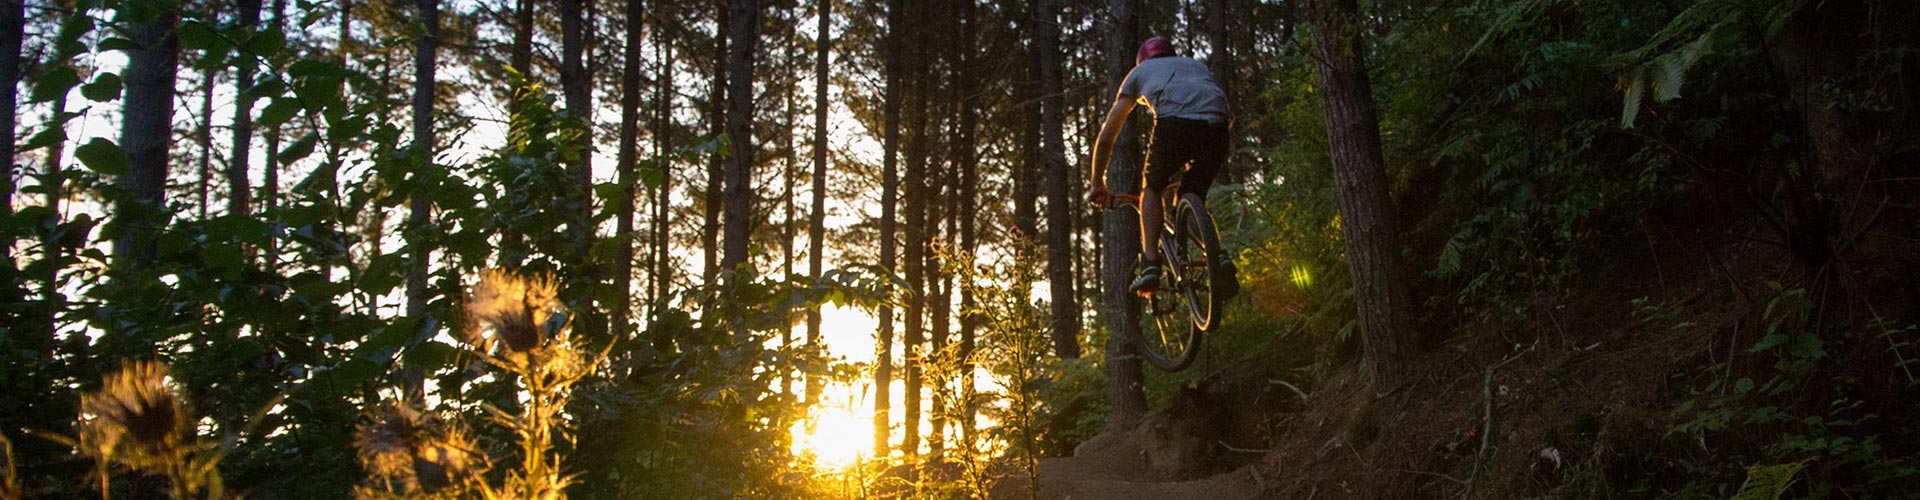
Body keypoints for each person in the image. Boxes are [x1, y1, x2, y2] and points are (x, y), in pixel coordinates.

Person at [1087, 35, 1234, 296]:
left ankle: (1150, 265)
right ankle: (1218, 258)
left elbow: (1108, 136)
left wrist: (1097, 182)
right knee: (1191, 195)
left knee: (1152, 188)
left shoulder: (1139, 72)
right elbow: (1212, 103)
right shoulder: (1195, 65)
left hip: (1175, 123)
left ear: (1143, 59)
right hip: (1218, 126)